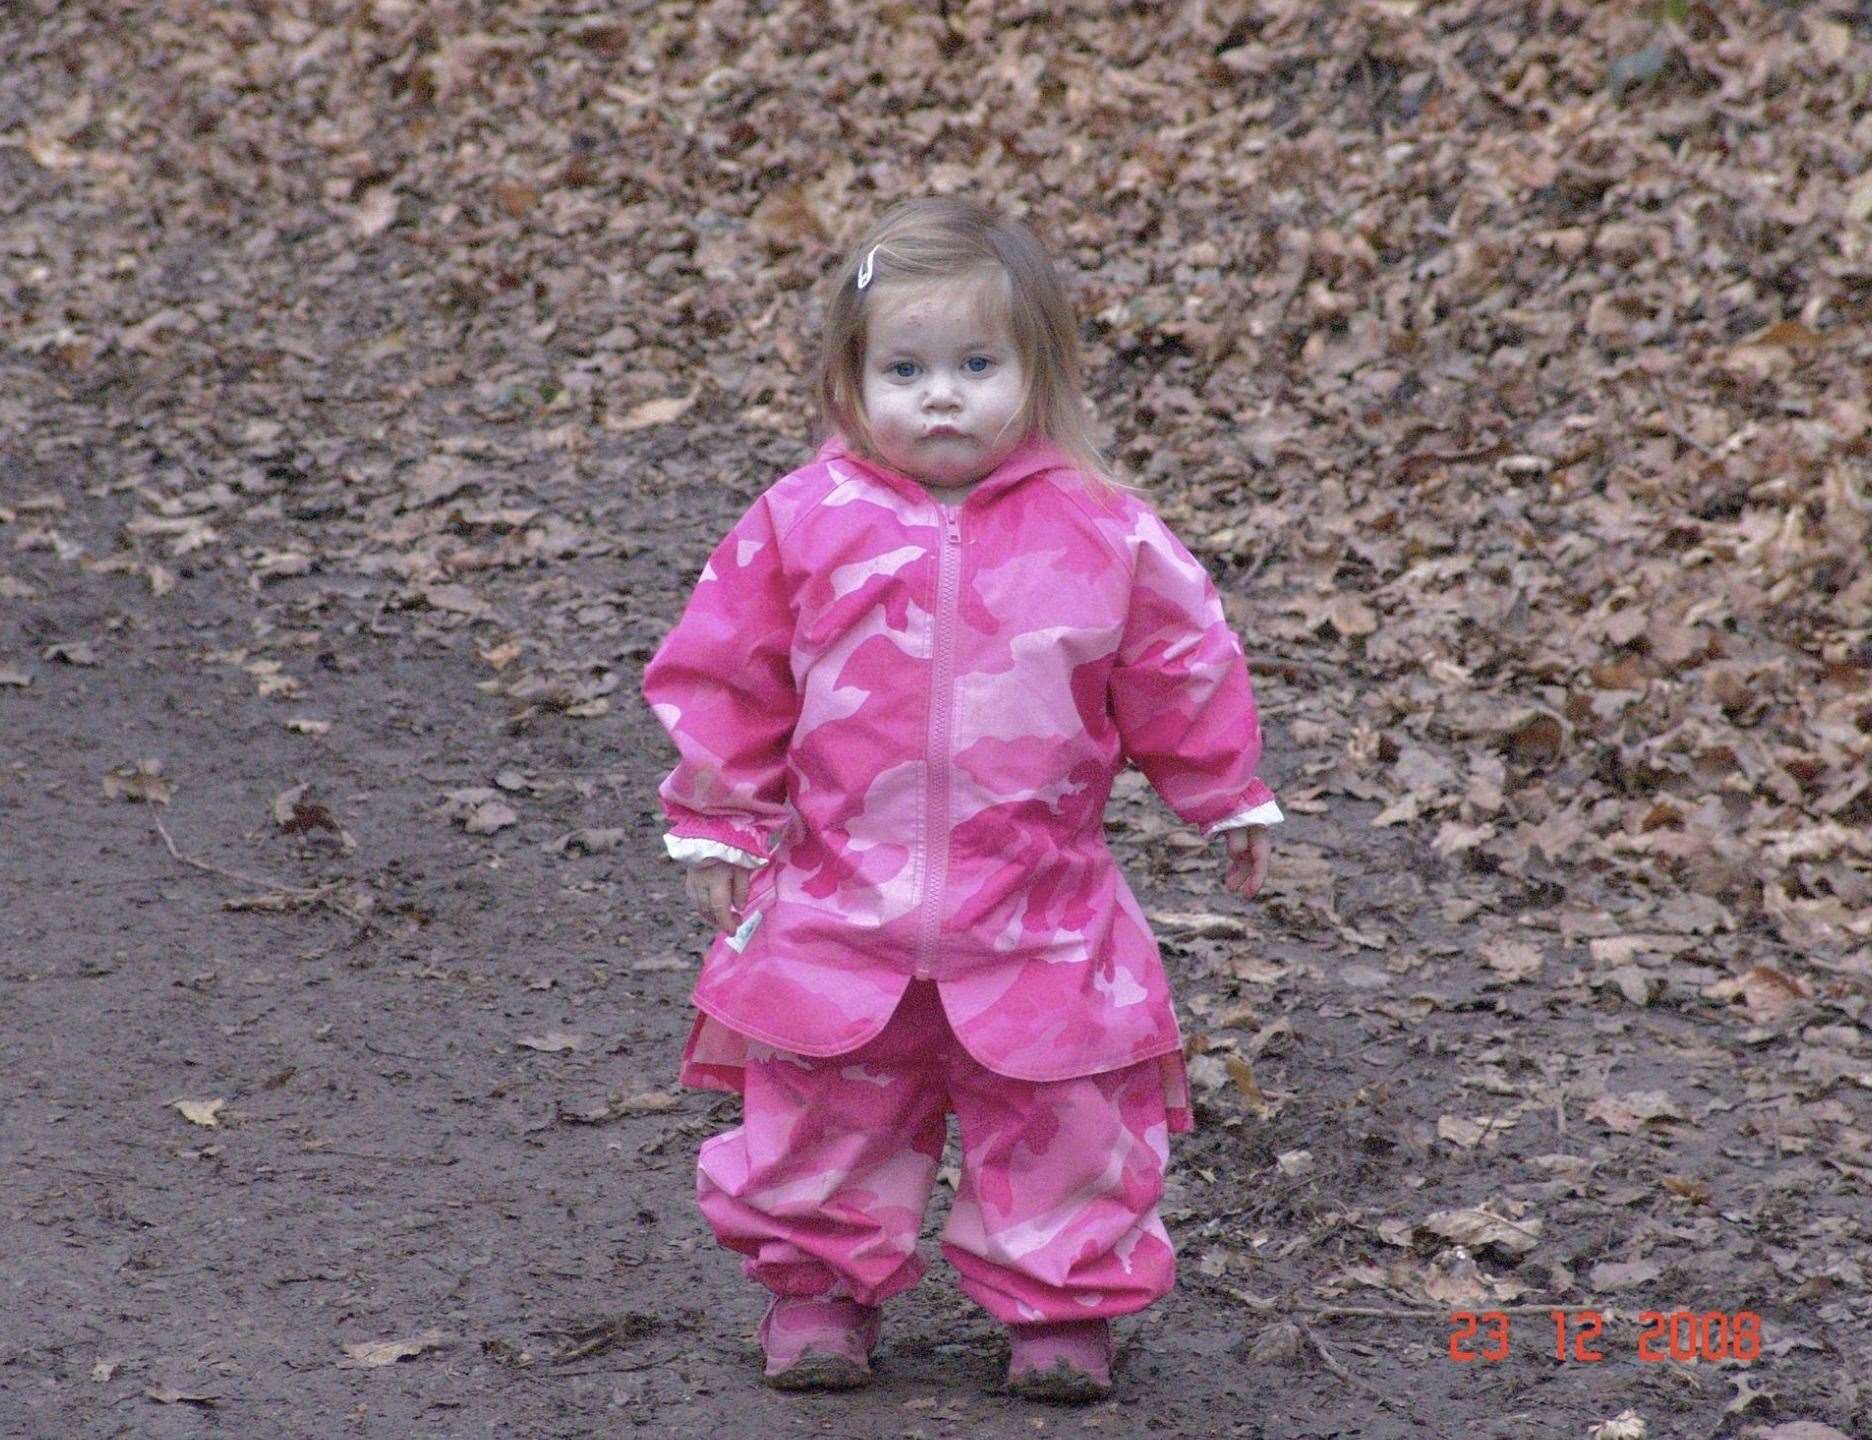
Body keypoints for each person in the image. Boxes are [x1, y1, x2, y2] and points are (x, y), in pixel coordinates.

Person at [640, 195, 1280, 1403]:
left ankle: (1061, 1306)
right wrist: (719, 815)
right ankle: (818, 1290)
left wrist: (1223, 792)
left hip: (1037, 904)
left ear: (1039, 373)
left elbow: (1181, 662)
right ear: (850, 378)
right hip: (841, 896)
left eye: (977, 365)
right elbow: (728, 671)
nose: (941, 396)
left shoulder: (1102, 531)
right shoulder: (803, 523)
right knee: (826, 1106)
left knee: (1064, 1115)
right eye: (906, 368)